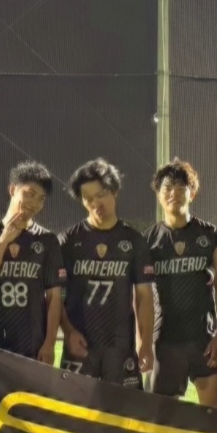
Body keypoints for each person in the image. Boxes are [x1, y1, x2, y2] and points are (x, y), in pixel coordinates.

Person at [58, 158, 155, 388]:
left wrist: (146, 342)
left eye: (101, 194)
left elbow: (144, 297)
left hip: (120, 348)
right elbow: (53, 296)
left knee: (125, 409)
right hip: (79, 345)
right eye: (88, 198)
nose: (96, 203)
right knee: (75, 409)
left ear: (115, 191)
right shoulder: (68, 241)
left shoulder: (134, 240)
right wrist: (68, 332)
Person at [144, 159, 217, 407]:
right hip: (164, 341)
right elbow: (140, 296)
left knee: (214, 413)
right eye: (167, 188)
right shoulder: (147, 241)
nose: (174, 193)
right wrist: (143, 342)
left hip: (203, 338)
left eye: (181, 188)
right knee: (161, 418)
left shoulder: (212, 236)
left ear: (192, 193)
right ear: (158, 195)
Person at [0, 161, 65, 363]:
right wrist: (3, 240)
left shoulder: (47, 240)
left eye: (41, 198)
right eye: (30, 193)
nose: (34, 203)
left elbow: (54, 297)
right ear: (13, 190)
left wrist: (49, 343)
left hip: (32, 346)